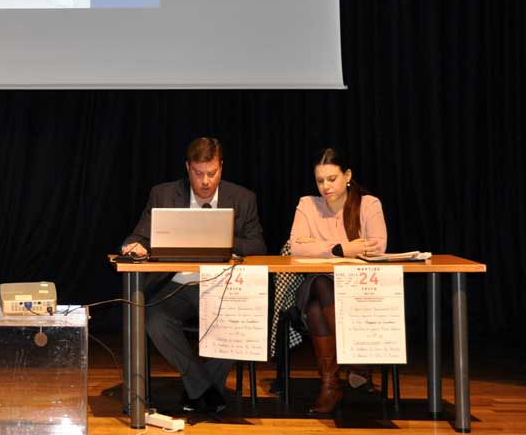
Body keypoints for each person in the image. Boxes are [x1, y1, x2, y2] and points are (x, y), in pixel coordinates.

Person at [121, 137, 266, 414]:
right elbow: (138, 236)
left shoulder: (243, 198)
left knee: (240, 318)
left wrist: (218, 238)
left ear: (221, 167)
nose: (206, 181)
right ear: (188, 168)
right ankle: (204, 388)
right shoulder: (164, 195)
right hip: (176, 284)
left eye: (212, 173)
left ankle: (198, 390)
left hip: (222, 285)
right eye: (199, 173)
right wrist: (133, 246)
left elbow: (258, 246)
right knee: (153, 318)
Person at [288, 147, 387, 415]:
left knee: (316, 307)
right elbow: (296, 247)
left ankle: (330, 385)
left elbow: (377, 246)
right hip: (313, 285)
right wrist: (342, 249)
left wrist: (316, 245)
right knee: (321, 282)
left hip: (357, 291)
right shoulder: (307, 205)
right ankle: (355, 358)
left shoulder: (369, 205)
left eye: (331, 179)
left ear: (348, 176)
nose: (325, 186)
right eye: (320, 180)